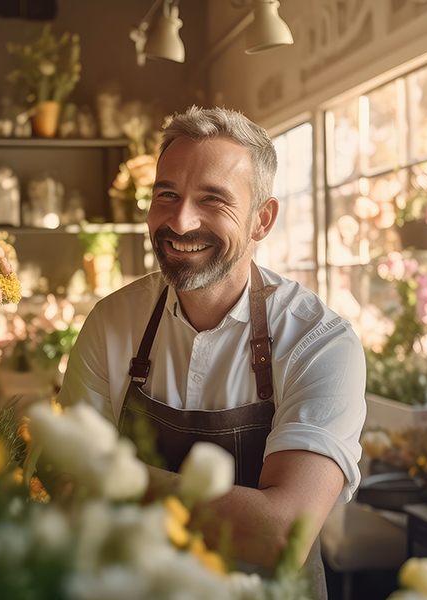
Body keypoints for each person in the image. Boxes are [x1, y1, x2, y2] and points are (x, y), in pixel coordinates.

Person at [57, 106, 366, 599]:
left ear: (261, 219)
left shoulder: (320, 343)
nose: (180, 221)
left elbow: (283, 533)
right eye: (167, 195)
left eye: (213, 200)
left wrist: (115, 477)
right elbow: (67, 479)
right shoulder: (113, 322)